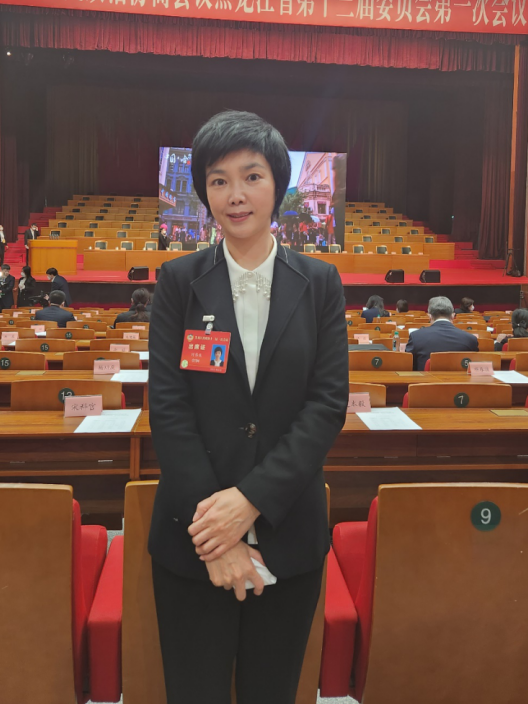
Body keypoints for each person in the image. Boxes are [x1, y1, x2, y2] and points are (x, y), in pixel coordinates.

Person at [148, 110, 348, 704]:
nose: (235, 195)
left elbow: (326, 404)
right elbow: (169, 409)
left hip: (289, 533)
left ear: (277, 185)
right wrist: (220, 535)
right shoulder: (178, 281)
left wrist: (251, 502)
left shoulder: (321, 283)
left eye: (251, 176)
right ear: (205, 193)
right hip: (195, 539)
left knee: (272, 691)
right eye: (219, 180)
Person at [406, 296, 479, 370]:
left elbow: (408, 368)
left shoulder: (416, 337)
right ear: (453, 316)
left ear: (429, 316)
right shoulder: (470, 339)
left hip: (425, 377)